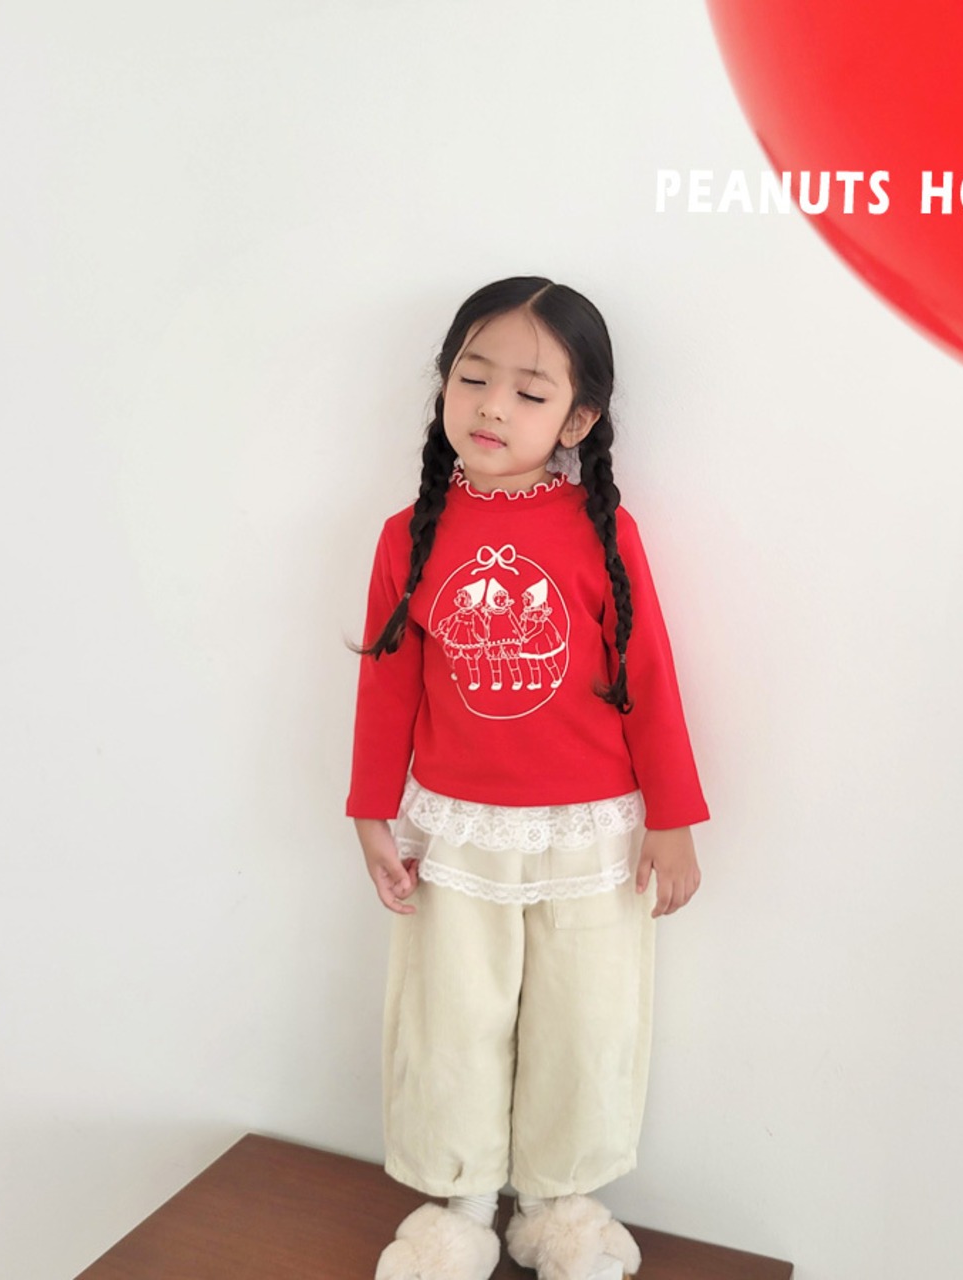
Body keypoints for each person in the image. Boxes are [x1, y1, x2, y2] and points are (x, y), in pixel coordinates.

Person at [347, 276, 709, 1280]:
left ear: (577, 421)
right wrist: (371, 810)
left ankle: (560, 1207)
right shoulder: (406, 535)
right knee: (451, 1019)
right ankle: (459, 1205)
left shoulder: (604, 532)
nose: (492, 406)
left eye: (529, 390)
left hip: (594, 837)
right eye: (472, 377)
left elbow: (650, 675)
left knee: (585, 1020)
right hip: (455, 835)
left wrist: (673, 817)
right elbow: (385, 683)